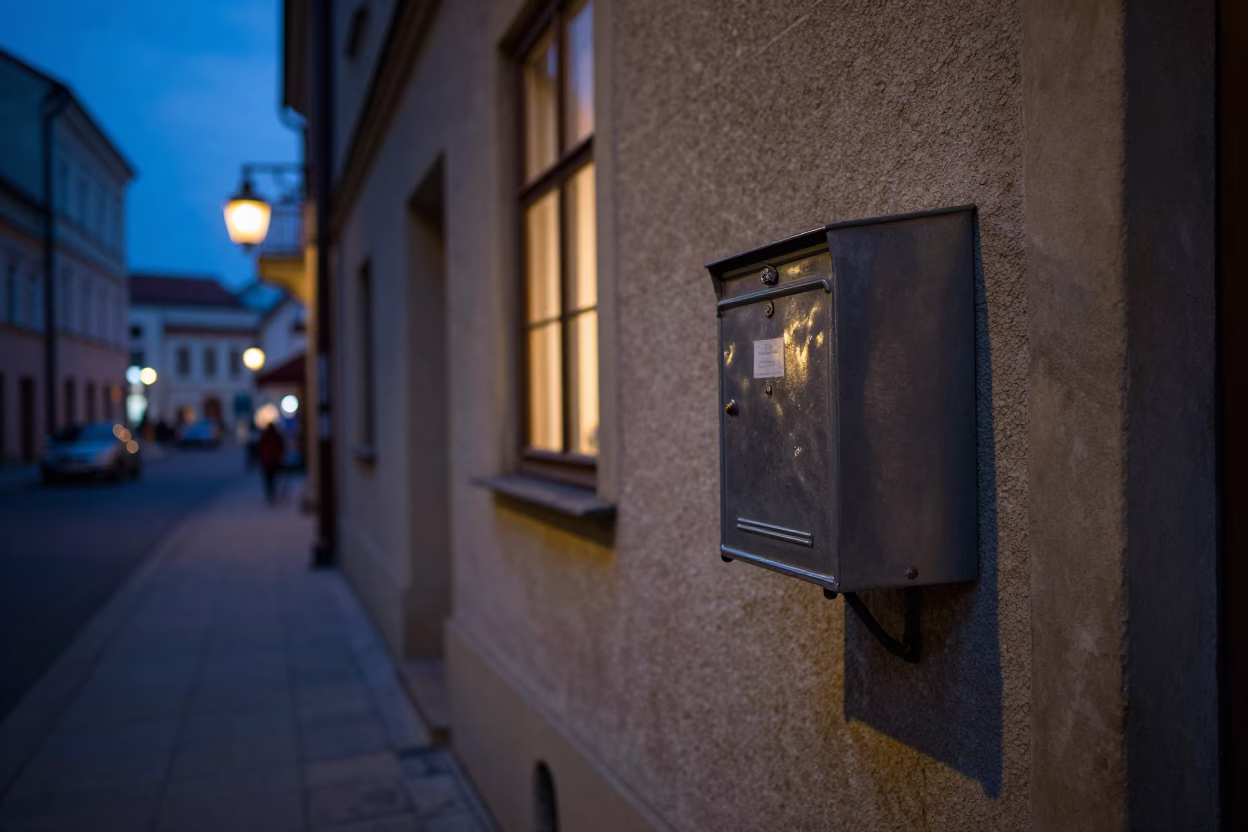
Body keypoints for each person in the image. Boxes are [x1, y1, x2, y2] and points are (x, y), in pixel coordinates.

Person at [256, 423, 285, 504]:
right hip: (274, 461)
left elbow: (260, 448)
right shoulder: (276, 436)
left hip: (266, 461)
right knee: (274, 478)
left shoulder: (265, 437)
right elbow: (282, 447)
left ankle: (270, 493)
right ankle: (272, 493)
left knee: (268, 479)